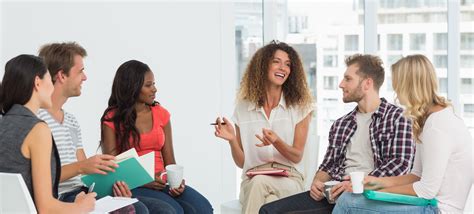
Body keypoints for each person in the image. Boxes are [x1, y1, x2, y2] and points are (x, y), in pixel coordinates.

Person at [259, 54, 415, 214]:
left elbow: (400, 165)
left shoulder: (398, 118)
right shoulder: (341, 124)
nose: (341, 84)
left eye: (348, 79)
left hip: (370, 197)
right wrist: (318, 183)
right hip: (335, 194)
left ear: (367, 83)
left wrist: (358, 183)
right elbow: (328, 166)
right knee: (267, 211)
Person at [37, 42, 171, 213]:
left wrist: (114, 185)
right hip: (64, 197)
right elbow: (40, 177)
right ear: (62, 76)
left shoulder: (71, 121)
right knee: (140, 210)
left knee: (162, 209)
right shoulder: (37, 121)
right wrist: (83, 167)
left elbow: (85, 175)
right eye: (80, 71)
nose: (85, 77)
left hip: (85, 191)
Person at [333, 54, 473, 214]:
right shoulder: (427, 121)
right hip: (427, 204)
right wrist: (372, 183)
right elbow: (416, 176)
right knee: (352, 198)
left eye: (398, 87)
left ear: (410, 88)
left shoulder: (437, 126)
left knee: (348, 202)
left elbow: (426, 190)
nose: (396, 95)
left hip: (437, 209)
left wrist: (373, 192)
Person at [100, 59, 213, 214]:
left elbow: (170, 161)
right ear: (132, 87)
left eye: (153, 84)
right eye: (148, 85)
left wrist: (176, 182)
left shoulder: (161, 113)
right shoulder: (111, 118)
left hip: (162, 182)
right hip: (133, 184)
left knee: (203, 209)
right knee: (173, 211)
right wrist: (146, 180)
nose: (154, 89)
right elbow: (110, 168)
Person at [213, 40, 314, 213]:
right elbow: (242, 162)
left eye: (288, 64)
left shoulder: (300, 107)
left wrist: (277, 142)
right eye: (276, 61)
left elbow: (297, 156)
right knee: (269, 200)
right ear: (262, 66)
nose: (283, 68)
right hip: (252, 180)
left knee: (261, 186)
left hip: (290, 180)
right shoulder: (244, 108)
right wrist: (231, 140)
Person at [0, 54, 96, 213]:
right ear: (38, 82)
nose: (52, 87)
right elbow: (46, 208)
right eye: (49, 81)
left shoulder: (4, 123)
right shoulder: (38, 129)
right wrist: (81, 206)